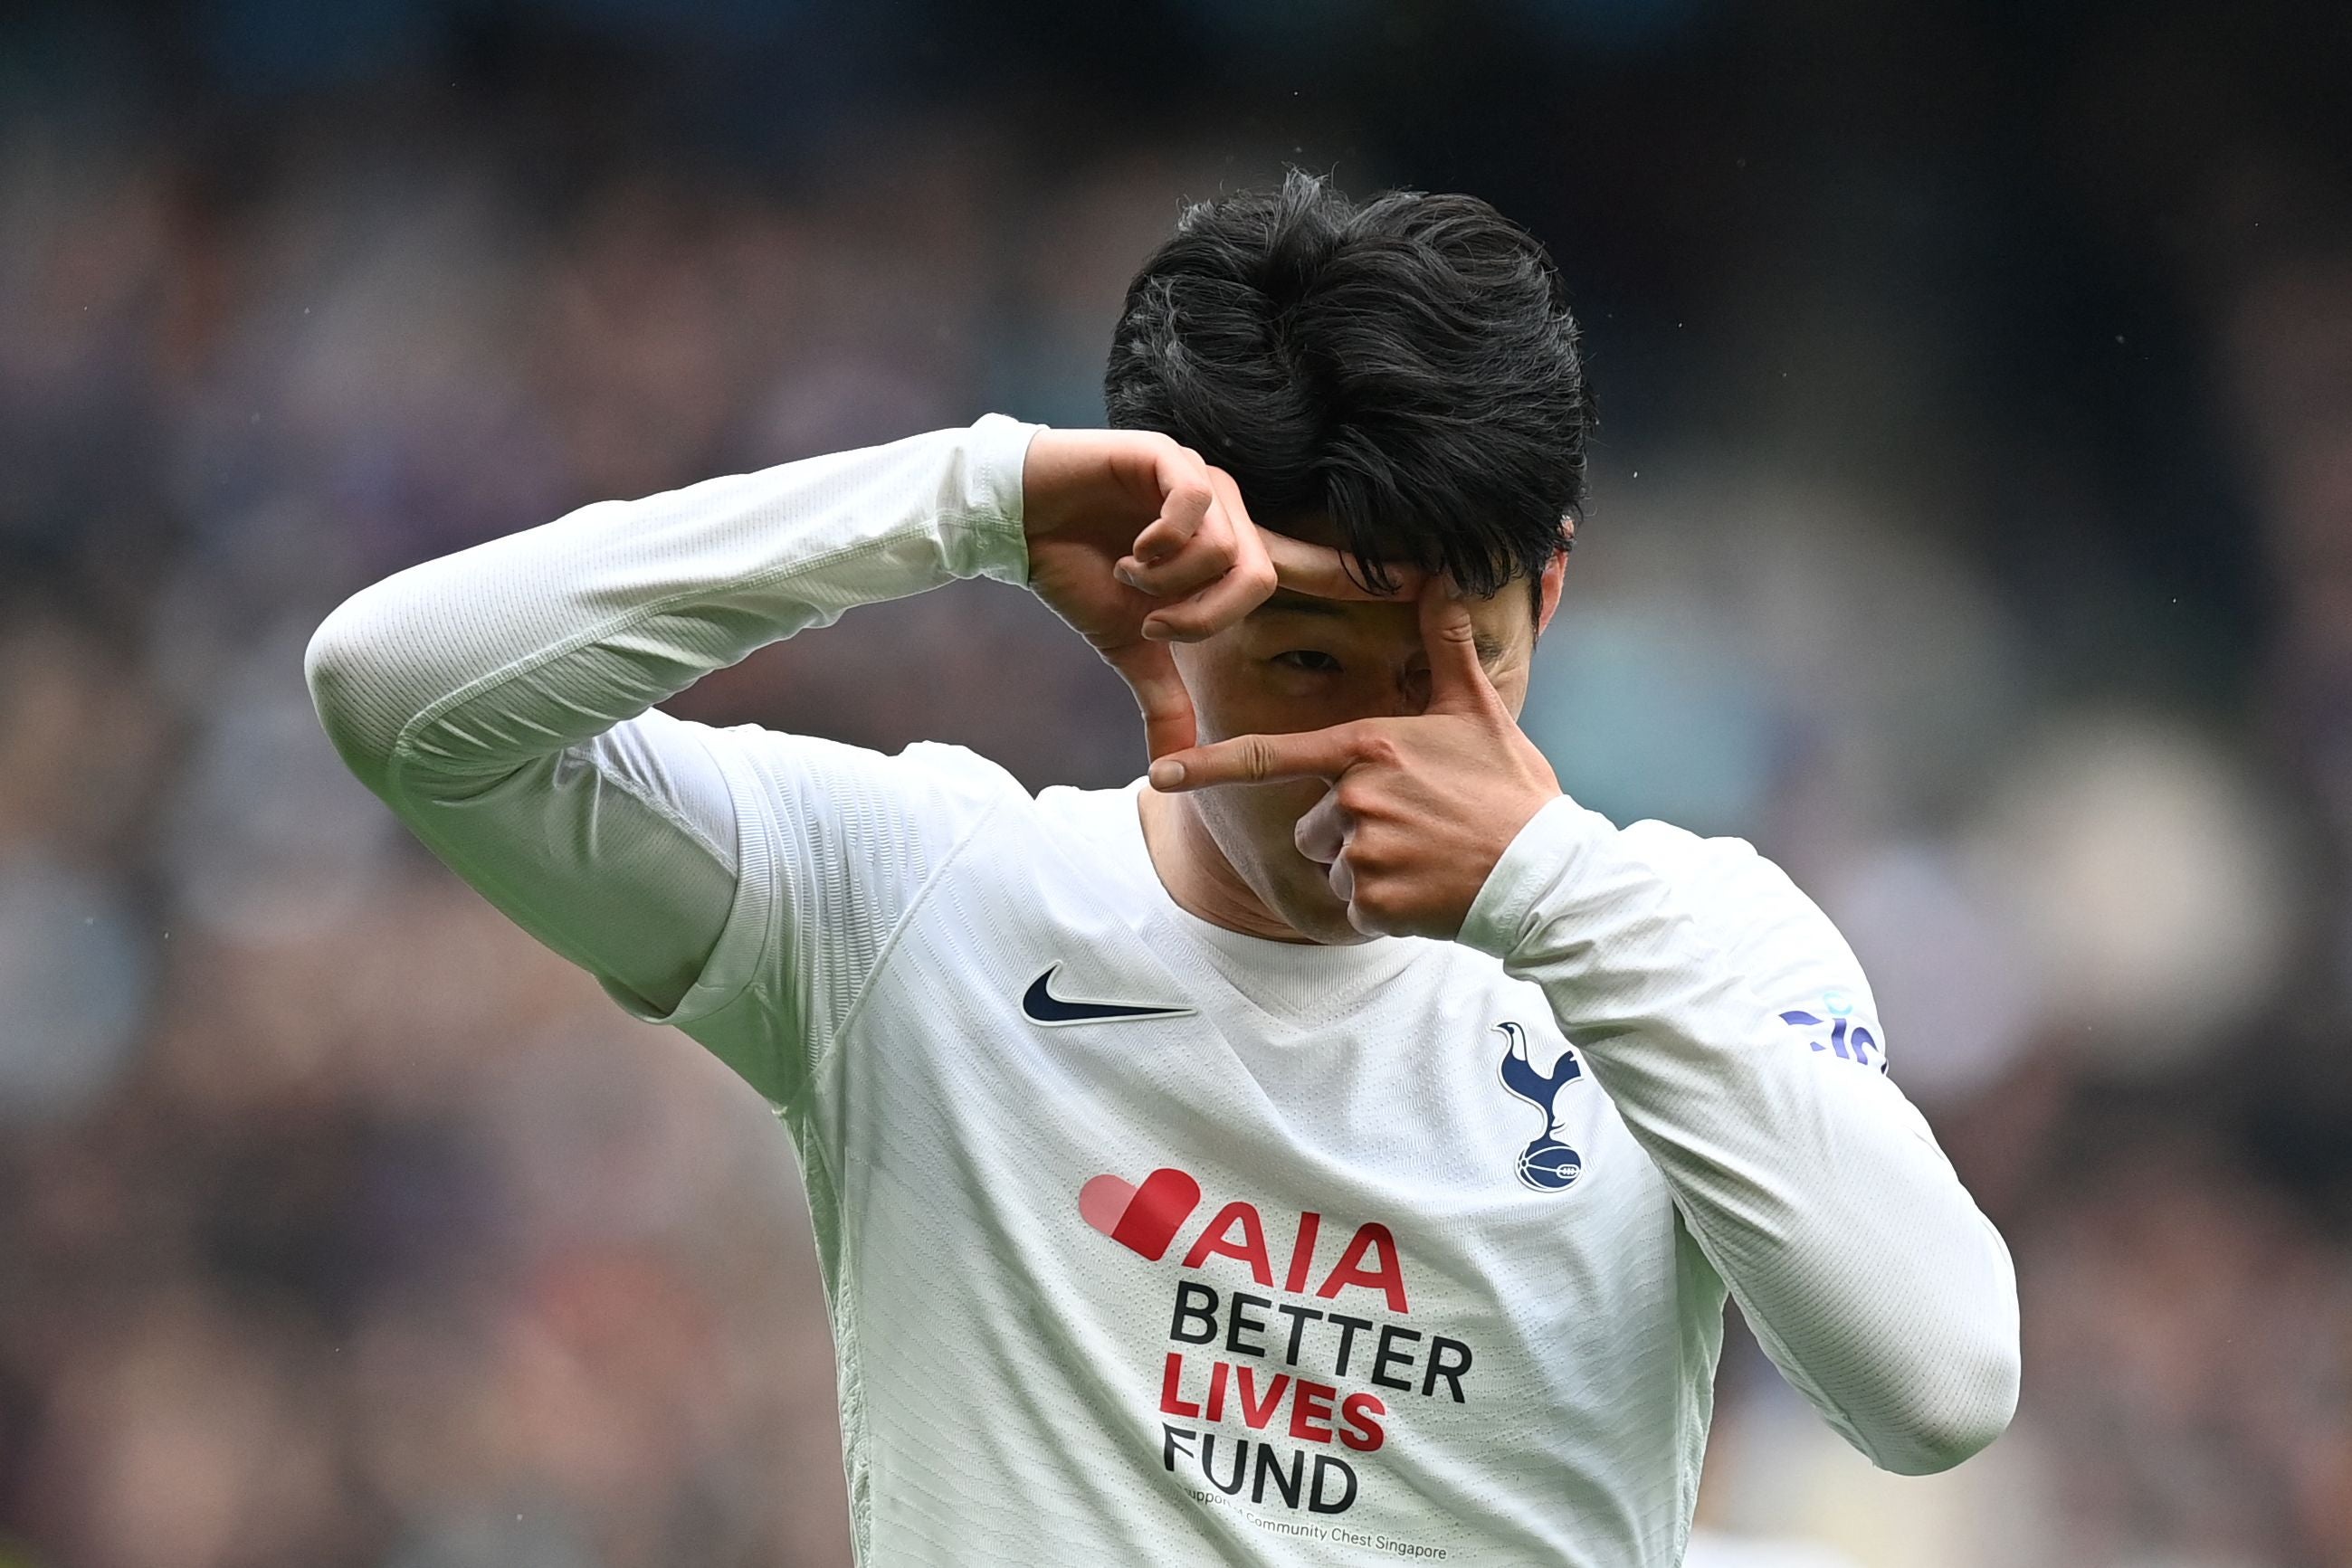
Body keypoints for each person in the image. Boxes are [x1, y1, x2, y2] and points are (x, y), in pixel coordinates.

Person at [306, 172, 2018, 1566]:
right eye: (1306, 663)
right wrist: (968, 496)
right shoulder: (914, 904)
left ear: (1549, 595)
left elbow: (1937, 1385)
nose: (1385, 742)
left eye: (1463, 662)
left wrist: (1546, 890)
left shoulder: (1687, 941)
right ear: (1153, 600)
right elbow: (396, 691)